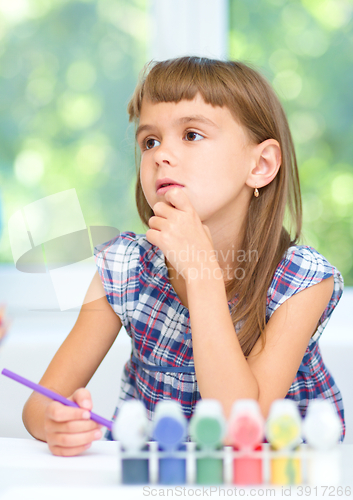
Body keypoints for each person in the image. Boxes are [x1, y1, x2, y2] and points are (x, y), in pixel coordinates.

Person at [22, 56, 345, 456]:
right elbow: (39, 404)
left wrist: (201, 273)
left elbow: (239, 428)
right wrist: (55, 423)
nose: (161, 155)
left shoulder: (302, 280)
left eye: (191, 135)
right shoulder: (126, 268)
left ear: (260, 165)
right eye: (149, 141)